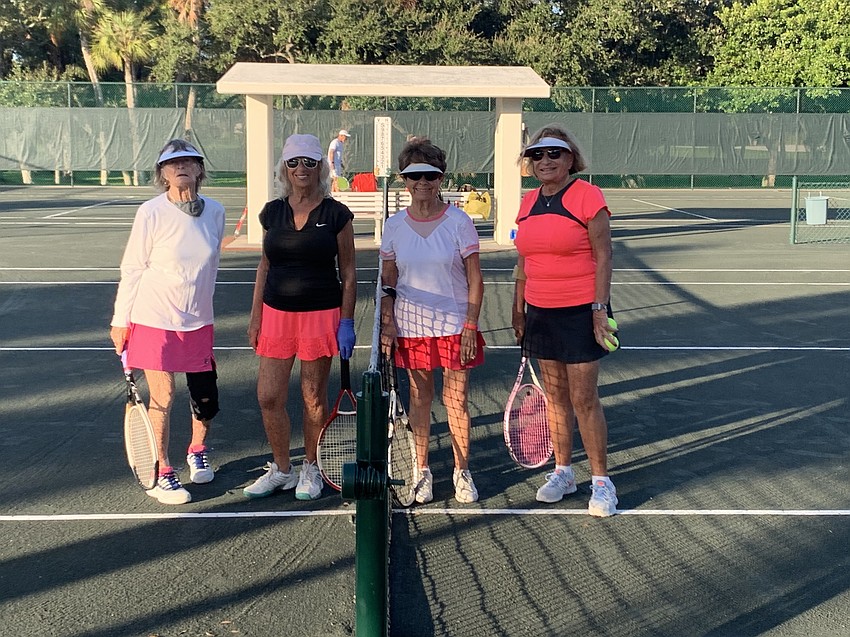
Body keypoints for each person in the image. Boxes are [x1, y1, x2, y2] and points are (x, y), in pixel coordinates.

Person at [110, 139, 226, 505]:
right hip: (154, 316)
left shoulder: (217, 212)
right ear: (162, 173)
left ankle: (197, 449)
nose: (181, 167)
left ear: (199, 169)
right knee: (163, 394)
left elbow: (211, 265)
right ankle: (163, 470)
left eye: (189, 161)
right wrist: (120, 320)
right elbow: (133, 267)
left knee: (205, 398)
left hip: (198, 322)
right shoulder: (151, 212)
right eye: (172, 163)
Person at [511, 124, 619, 517]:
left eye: (554, 153)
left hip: (580, 311)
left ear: (570, 158)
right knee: (555, 398)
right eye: (536, 155)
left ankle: (602, 482)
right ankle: (563, 472)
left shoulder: (588, 196)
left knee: (584, 399)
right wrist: (517, 307)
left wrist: (599, 309)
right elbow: (524, 259)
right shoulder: (527, 202)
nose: (544, 161)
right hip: (539, 311)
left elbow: (604, 255)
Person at [244, 133, 356, 501]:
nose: (301, 169)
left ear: (320, 167)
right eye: (294, 162)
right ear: (284, 168)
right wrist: (256, 315)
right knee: (268, 397)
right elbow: (265, 264)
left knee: (313, 398)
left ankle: (311, 466)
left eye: (309, 162)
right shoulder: (271, 212)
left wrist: (347, 320)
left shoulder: (336, 214)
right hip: (276, 316)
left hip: (320, 315)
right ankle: (281, 468)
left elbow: (350, 272)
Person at [379, 137, 485, 504]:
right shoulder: (393, 226)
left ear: (441, 178)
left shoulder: (459, 221)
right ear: (403, 179)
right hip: (412, 328)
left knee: (456, 400)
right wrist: (388, 322)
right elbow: (388, 278)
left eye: (431, 175)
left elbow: (475, 278)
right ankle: (421, 471)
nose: (422, 183)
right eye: (414, 176)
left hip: (456, 327)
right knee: (419, 400)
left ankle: (462, 471)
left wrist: (470, 324)